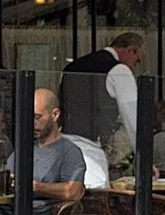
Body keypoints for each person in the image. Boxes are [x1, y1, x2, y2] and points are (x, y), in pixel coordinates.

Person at [0, 88, 85, 215]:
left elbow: (74, 191)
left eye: (37, 118)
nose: (32, 124)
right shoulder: (25, 148)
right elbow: (9, 179)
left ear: (55, 115)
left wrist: (37, 187)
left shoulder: (69, 151)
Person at [59, 32, 144, 188]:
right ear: (131, 50)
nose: (133, 66)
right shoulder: (119, 71)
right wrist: (143, 157)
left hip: (63, 148)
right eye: (137, 61)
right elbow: (133, 118)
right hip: (90, 151)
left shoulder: (70, 67)